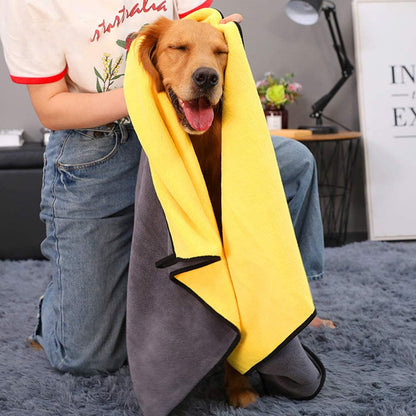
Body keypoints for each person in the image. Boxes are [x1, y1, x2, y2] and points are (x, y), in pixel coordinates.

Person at [0, 0, 330, 376]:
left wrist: (224, 37)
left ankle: (292, 303)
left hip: (175, 127)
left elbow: (197, 31)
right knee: (88, 359)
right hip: (95, 150)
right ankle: (58, 304)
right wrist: (146, 93)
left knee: (293, 163)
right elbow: (51, 108)